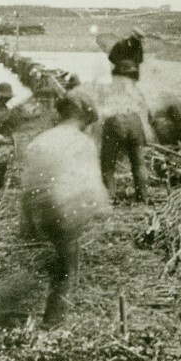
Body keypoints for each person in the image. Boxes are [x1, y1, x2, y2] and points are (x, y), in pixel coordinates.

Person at [20, 90, 110, 326]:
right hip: (65, 208)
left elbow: (28, 181)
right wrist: (101, 207)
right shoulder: (83, 142)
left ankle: (28, 308)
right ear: (80, 116)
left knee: (52, 258)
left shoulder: (42, 139)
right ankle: (54, 321)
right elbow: (90, 181)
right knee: (68, 267)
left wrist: (28, 217)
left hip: (41, 206)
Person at [99, 59, 153, 202]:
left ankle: (110, 197)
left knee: (108, 164)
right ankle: (143, 197)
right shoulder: (136, 90)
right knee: (139, 163)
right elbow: (148, 111)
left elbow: (101, 111)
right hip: (134, 122)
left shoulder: (108, 88)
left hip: (115, 121)